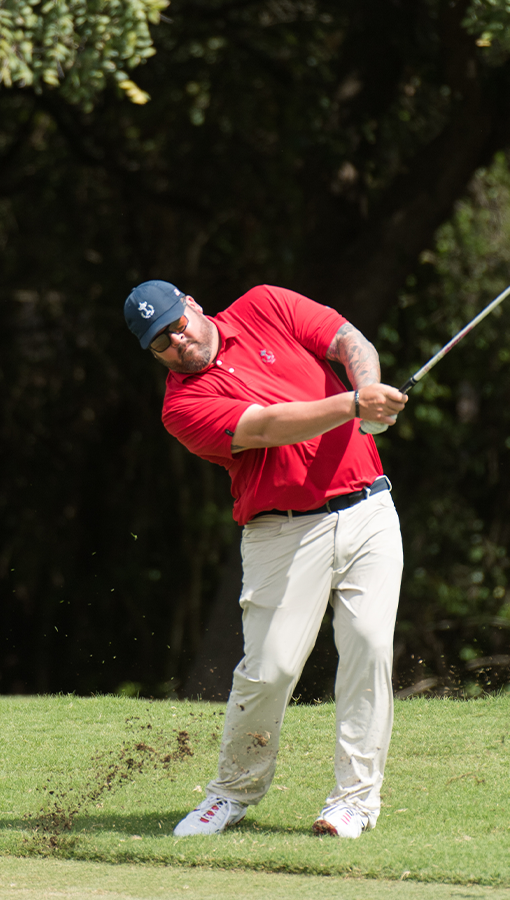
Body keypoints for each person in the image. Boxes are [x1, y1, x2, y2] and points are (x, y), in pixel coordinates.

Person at [123, 279, 408, 839]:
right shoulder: (184, 407)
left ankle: (353, 802)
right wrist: (353, 404)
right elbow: (267, 426)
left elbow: (348, 340)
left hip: (368, 507)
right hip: (282, 533)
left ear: (193, 306)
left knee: (370, 649)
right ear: (154, 356)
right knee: (271, 669)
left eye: (178, 324)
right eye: (162, 343)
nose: (179, 342)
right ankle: (231, 794)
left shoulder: (264, 305)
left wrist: (369, 393)